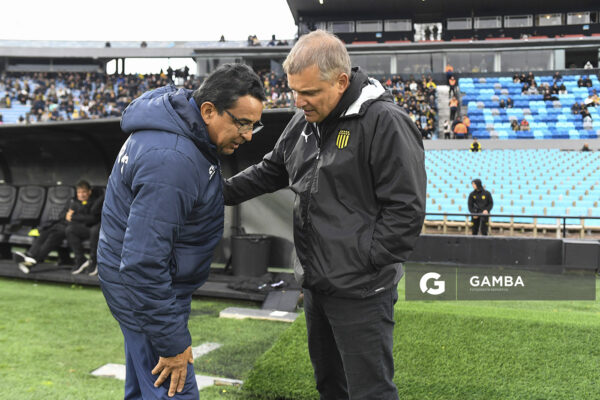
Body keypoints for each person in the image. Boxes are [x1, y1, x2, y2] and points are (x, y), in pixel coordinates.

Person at [223, 30, 426, 399]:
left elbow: (407, 210)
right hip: (317, 285)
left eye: (309, 92)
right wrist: (215, 193)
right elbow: (271, 170)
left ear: (341, 81)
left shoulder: (385, 122)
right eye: (294, 91)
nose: (299, 101)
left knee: (371, 392)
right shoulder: (304, 120)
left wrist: (366, 263)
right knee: (330, 385)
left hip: (361, 288)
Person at [97, 64, 265, 399]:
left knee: (143, 390)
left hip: (139, 288)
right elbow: (143, 263)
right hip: (146, 293)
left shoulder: (175, 131)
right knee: (176, 392)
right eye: (242, 123)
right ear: (207, 110)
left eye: (253, 125)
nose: (248, 135)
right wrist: (172, 344)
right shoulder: (173, 158)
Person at [13, 180, 102, 274]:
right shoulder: (72, 201)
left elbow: (92, 219)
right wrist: (68, 216)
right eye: (79, 192)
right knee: (44, 234)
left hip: (75, 229)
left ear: (89, 192)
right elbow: (62, 215)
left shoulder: (93, 203)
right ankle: (29, 255)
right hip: (62, 225)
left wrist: (72, 217)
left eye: (84, 192)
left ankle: (33, 261)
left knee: (53, 237)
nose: (81, 195)